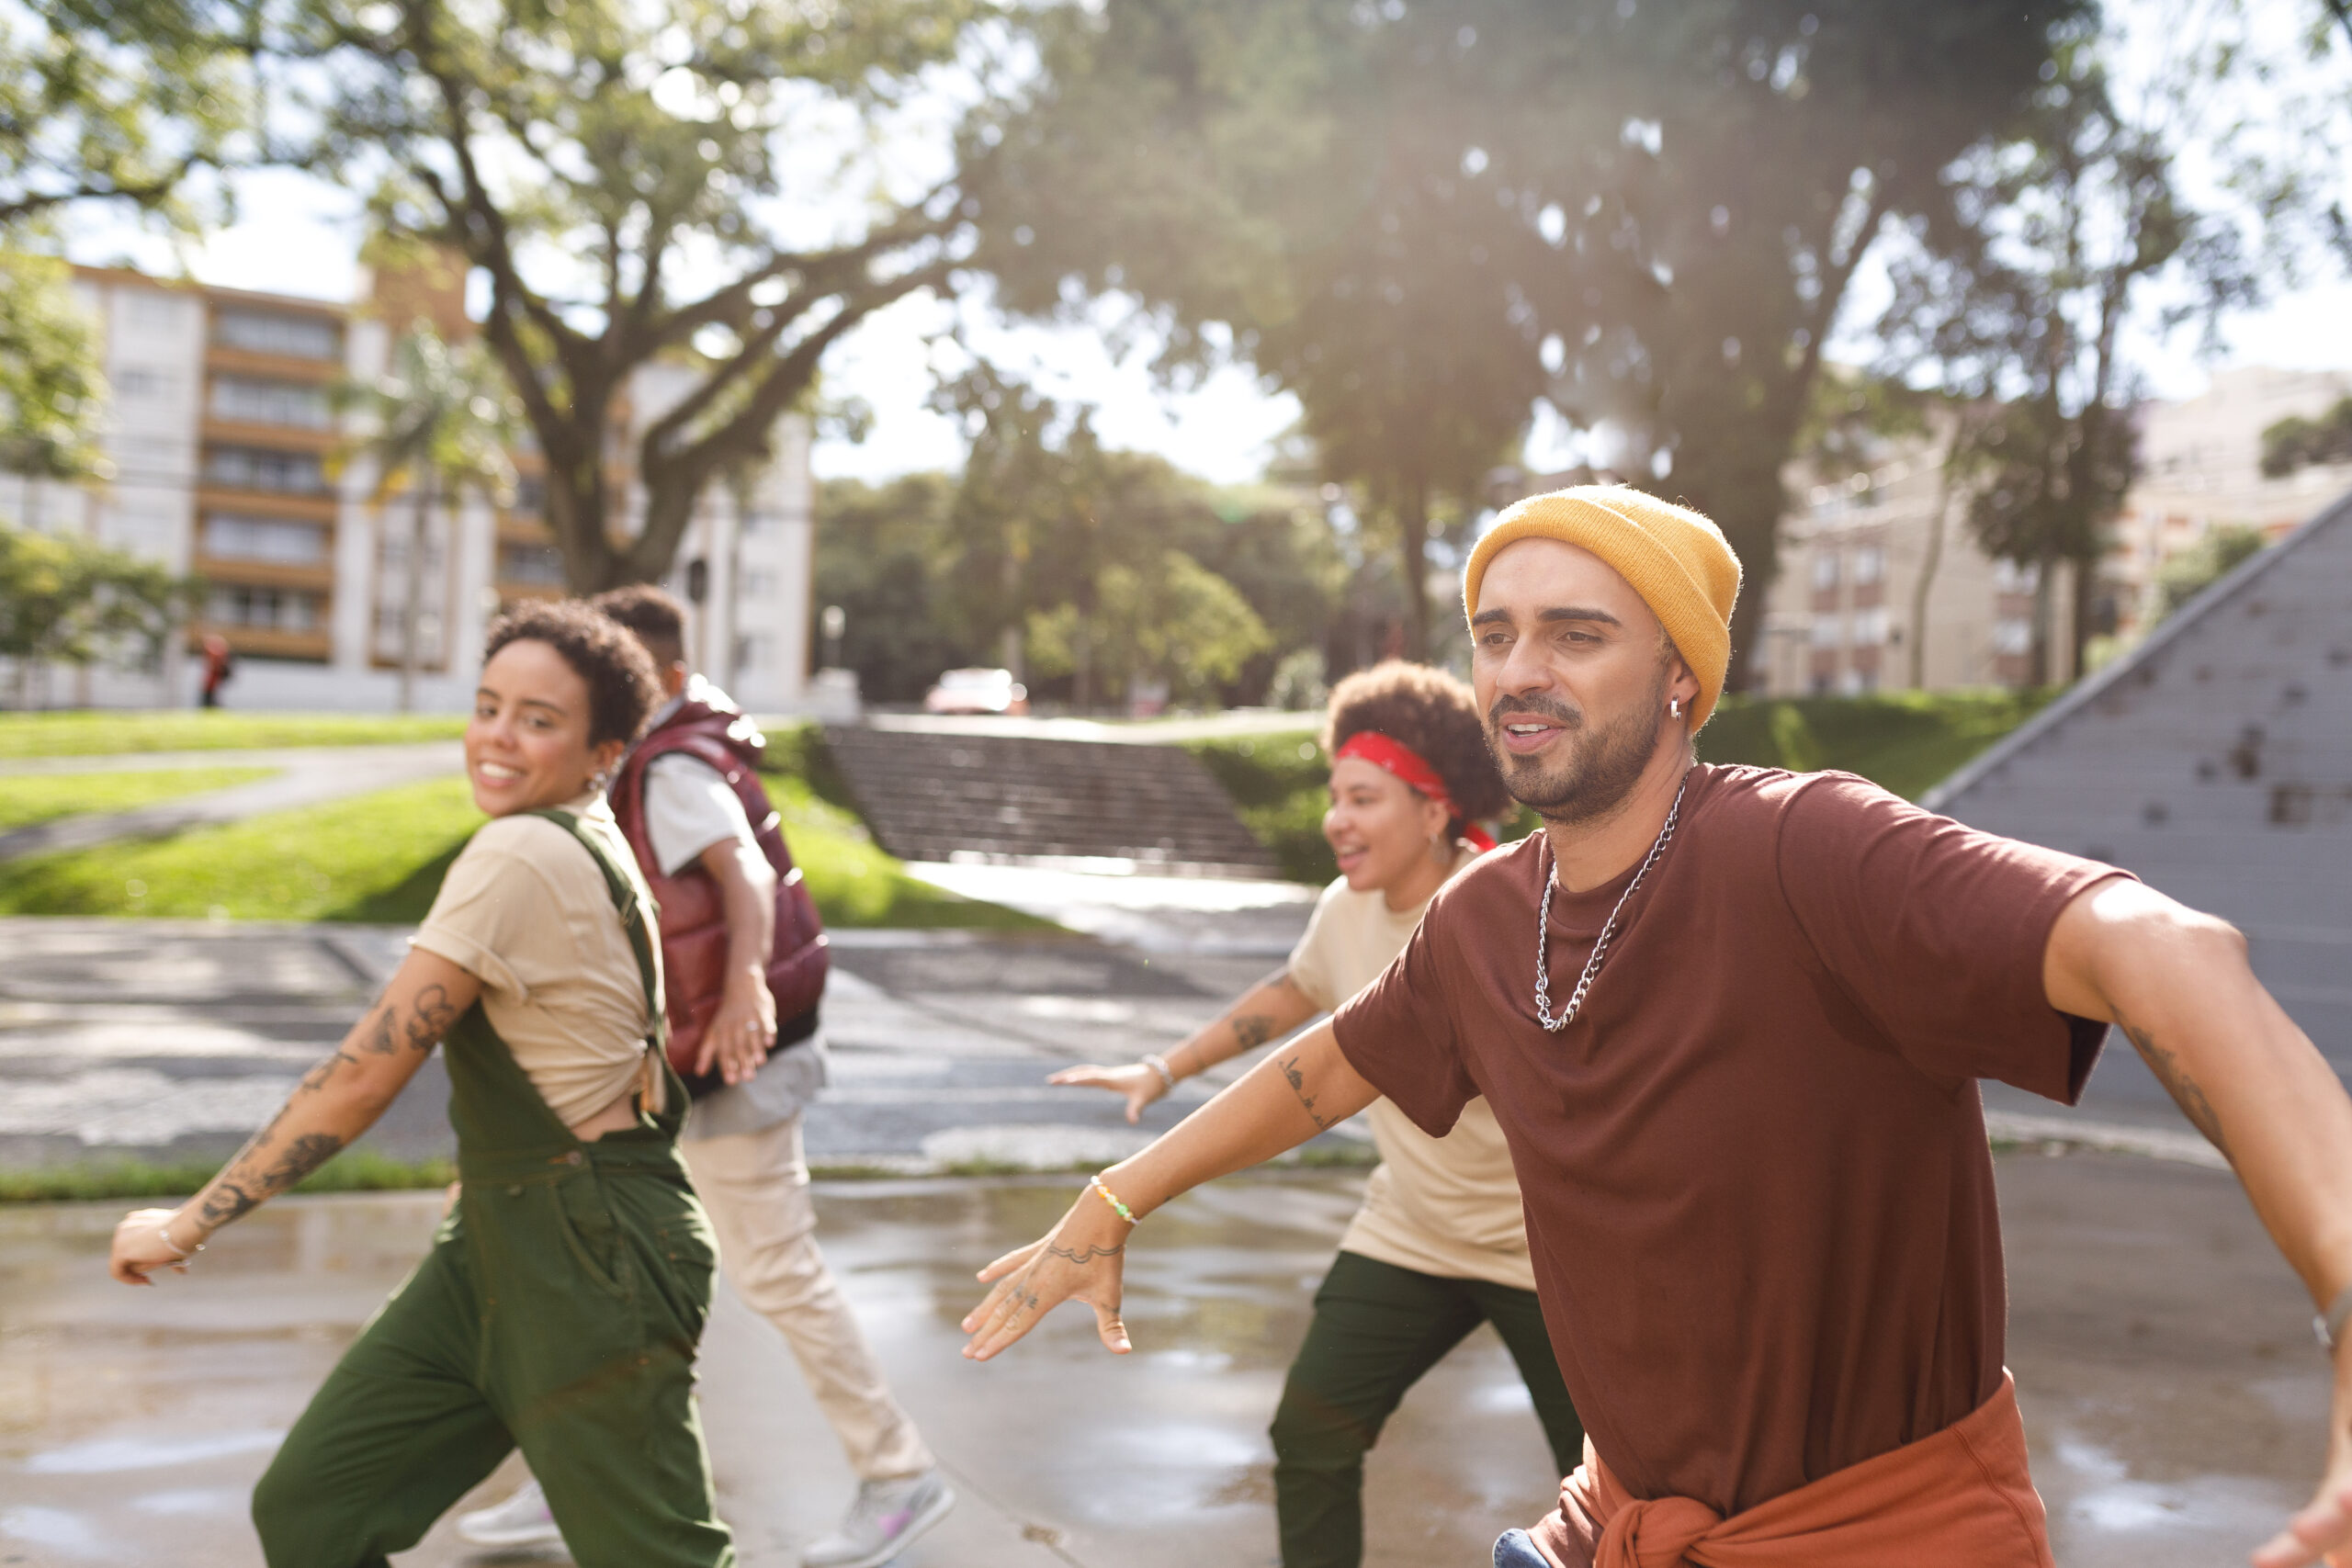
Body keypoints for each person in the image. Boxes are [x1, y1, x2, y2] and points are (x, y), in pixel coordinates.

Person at [956, 485, 2352, 1568]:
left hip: (1884, 1535)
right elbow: (1329, 1065)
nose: (1519, 669)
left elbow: (2161, 947)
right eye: (1496, 631)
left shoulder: (1808, 846)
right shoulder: (1484, 917)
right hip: (1617, 1518)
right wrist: (1118, 1193)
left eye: (1577, 631)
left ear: (1680, 672)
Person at [108, 600, 734, 1568]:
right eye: (488, 706)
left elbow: (360, 1079)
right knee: (319, 1507)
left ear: (603, 748)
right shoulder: (583, 831)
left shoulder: (520, 851)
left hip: (585, 1254)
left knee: (657, 1558)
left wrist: (185, 1224)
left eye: (538, 720)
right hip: (507, 1233)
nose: (496, 738)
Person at [456, 585, 954, 1568]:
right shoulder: (645, 759)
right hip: (684, 1060)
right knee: (617, 1271)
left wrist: (737, 997)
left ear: (671, 682)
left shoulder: (674, 763)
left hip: (731, 1061)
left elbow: (747, 879)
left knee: (772, 1269)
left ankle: (900, 1474)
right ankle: (579, 1479)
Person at [1048, 660, 1582, 1568]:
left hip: (1548, 1254)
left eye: (1363, 797)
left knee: (1618, 1484)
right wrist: (1164, 1067)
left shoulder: (1510, 908)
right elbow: (1294, 991)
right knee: (1310, 1436)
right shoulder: (1346, 907)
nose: (1336, 819)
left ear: (1433, 807)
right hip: (1412, 1233)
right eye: (1334, 795)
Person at [198, 632, 234, 708]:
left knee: (210, 696)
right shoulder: (221, 654)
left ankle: (212, 707)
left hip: (215, 678)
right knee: (211, 695)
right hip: (214, 678)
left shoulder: (218, 654)